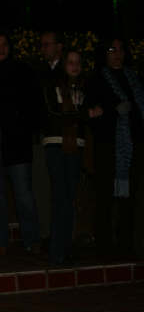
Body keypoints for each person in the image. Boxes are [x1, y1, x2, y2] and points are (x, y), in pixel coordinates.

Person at [0, 32, 42, 257]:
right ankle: (1, 242)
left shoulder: (23, 70)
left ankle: (32, 239)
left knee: (23, 193)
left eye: (4, 44)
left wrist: (26, 126)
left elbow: (34, 102)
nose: (1, 48)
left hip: (18, 138)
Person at [86, 37, 144, 259]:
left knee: (131, 198)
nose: (117, 53)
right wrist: (114, 110)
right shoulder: (97, 79)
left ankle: (126, 245)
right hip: (107, 146)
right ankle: (104, 247)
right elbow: (93, 114)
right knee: (105, 197)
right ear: (104, 53)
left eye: (120, 49)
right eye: (112, 49)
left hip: (134, 147)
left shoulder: (134, 78)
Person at [41, 50, 89, 265]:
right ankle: (56, 252)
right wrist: (84, 115)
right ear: (63, 65)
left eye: (78, 62)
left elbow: (89, 116)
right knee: (60, 197)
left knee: (69, 198)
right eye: (70, 62)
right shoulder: (53, 85)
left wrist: (84, 116)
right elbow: (53, 114)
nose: (74, 66)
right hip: (55, 143)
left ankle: (66, 249)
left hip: (76, 145)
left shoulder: (84, 87)